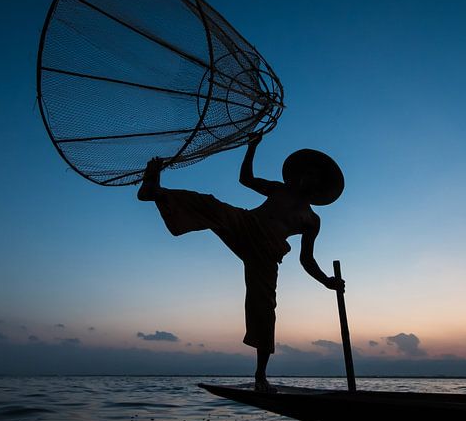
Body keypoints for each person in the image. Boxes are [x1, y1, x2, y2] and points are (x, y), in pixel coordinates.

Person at [137, 132, 344, 392]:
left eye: (313, 175)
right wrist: (251, 147)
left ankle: (260, 377)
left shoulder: (312, 220)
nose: (307, 177)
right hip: (246, 224)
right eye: (305, 173)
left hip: (267, 253)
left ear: (318, 185)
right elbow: (246, 179)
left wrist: (327, 282)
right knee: (210, 205)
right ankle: (155, 191)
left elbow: (307, 259)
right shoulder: (279, 189)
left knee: (264, 309)